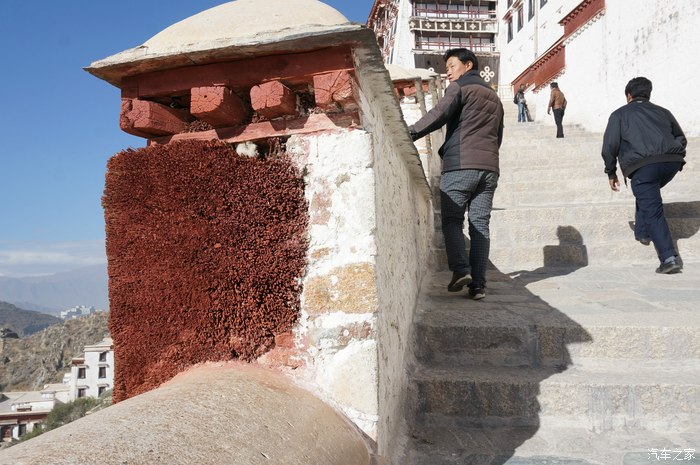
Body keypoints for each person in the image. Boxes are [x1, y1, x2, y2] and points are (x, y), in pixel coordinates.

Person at [408, 48, 504, 300]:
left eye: (451, 66)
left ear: (468, 65)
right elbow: (498, 136)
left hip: (460, 164)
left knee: (452, 221)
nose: (447, 72)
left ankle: (461, 270)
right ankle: (478, 285)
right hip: (489, 169)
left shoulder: (460, 87)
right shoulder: (494, 97)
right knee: (480, 224)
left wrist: (411, 133)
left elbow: (438, 114)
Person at [601, 76, 687, 274]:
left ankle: (669, 259)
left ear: (628, 96)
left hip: (644, 166)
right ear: (648, 94)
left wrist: (611, 172)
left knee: (653, 209)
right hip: (671, 164)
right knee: (645, 192)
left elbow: (609, 146)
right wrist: (675, 152)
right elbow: (680, 137)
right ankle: (642, 232)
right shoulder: (663, 112)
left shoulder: (619, 115)